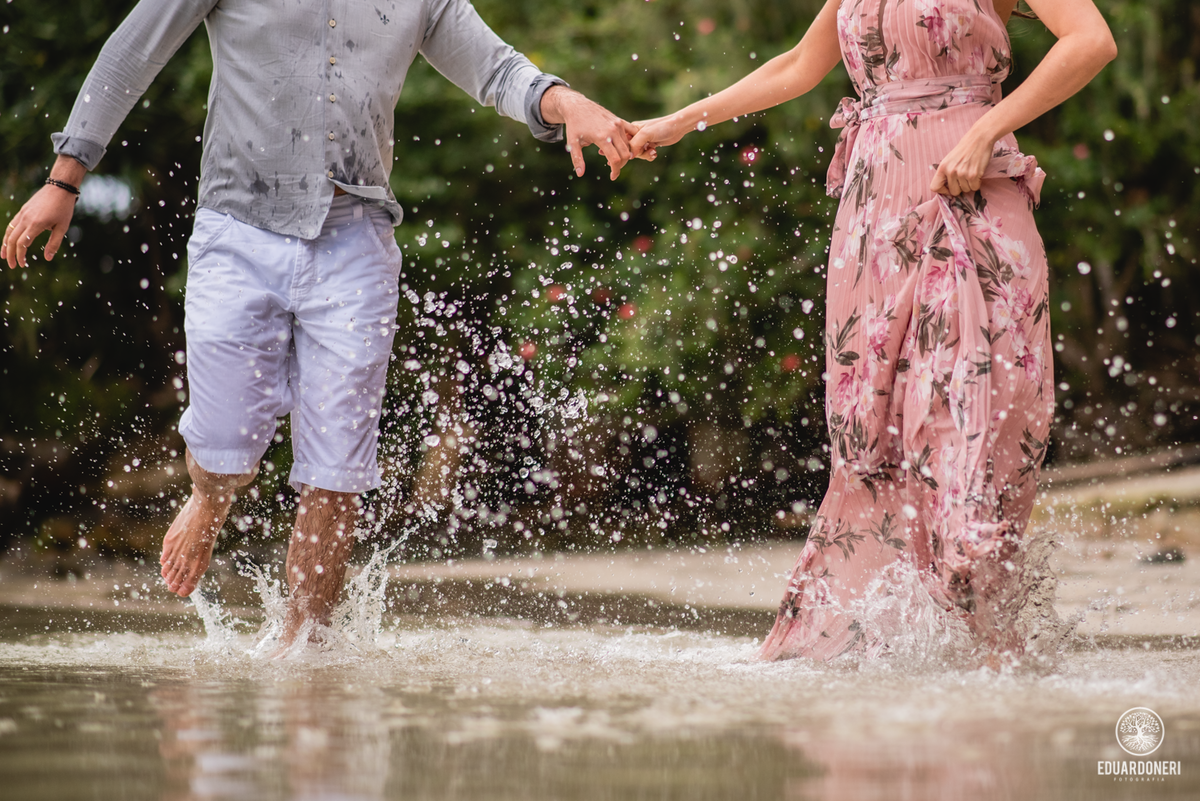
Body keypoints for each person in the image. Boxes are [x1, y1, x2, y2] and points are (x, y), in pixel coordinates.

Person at [2, 0, 642, 650]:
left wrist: (566, 102)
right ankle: (212, 496)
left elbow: (497, 70)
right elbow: (132, 53)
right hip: (237, 231)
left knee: (338, 468)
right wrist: (65, 178)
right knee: (225, 446)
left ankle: (305, 647)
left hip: (355, 238)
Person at [631, 0, 1116, 662]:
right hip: (875, 211)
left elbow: (1091, 41)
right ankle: (891, 643)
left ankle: (983, 645)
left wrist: (985, 132)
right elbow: (802, 65)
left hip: (968, 193)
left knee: (963, 412)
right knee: (875, 426)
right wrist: (680, 121)